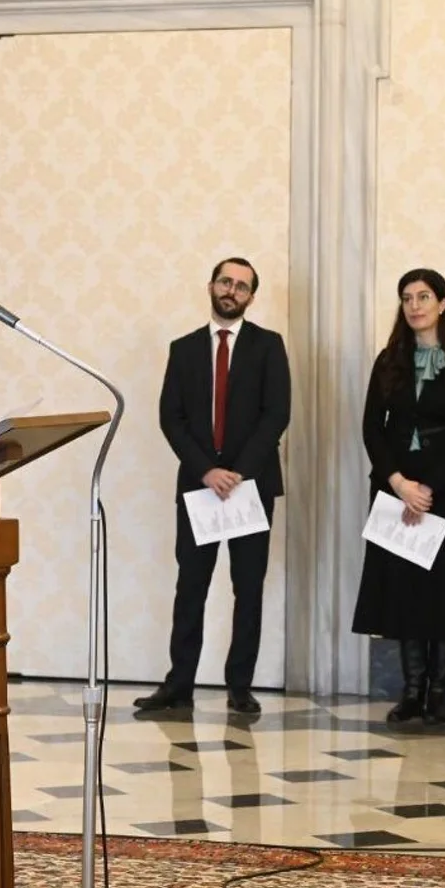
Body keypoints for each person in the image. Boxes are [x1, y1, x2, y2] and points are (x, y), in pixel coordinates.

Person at [134, 258, 292, 716]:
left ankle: (239, 686)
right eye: (226, 281)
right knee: (192, 587)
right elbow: (172, 418)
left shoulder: (268, 346)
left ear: (251, 297)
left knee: (248, 587)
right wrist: (207, 471)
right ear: (211, 285)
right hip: (199, 486)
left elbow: (276, 414)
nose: (232, 291)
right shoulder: (182, 349)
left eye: (242, 286)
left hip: (250, 485)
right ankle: (178, 683)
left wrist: (237, 472)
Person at [353, 268, 445, 724]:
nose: (414, 305)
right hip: (397, 486)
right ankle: (411, 690)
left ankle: (439, 690)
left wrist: (427, 486)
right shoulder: (388, 359)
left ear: (443, 304)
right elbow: (373, 426)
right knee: (404, 590)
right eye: (407, 298)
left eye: (424, 297)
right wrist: (398, 483)